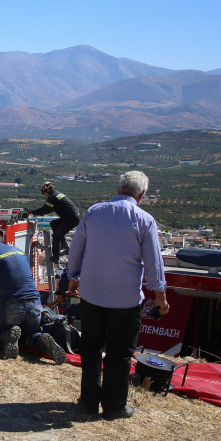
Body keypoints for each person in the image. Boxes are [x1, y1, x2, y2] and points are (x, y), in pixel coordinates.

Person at [67, 170, 169, 420]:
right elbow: (154, 264)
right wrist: (160, 297)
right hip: (125, 300)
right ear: (141, 194)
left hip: (91, 294)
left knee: (90, 348)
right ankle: (114, 406)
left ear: (118, 188)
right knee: (120, 353)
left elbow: (76, 248)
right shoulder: (144, 219)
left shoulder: (93, 211)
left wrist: (72, 278)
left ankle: (88, 401)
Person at [0, 220, 66, 364]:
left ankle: (6, 335)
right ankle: (40, 339)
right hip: (35, 305)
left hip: (11, 307)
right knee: (29, 335)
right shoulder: (18, 251)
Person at [28, 182, 80, 264]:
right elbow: (49, 209)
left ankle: (55, 257)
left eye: (44, 192)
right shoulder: (57, 194)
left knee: (56, 236)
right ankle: (64, 244)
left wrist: (31, 212)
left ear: (48, 190)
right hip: (72, 217)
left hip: (70, 219)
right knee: (53, 224)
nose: (44, 195)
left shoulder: (53, 197)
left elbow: (45, 209)